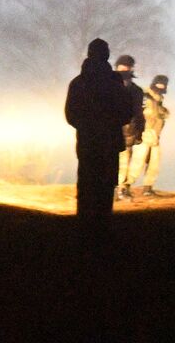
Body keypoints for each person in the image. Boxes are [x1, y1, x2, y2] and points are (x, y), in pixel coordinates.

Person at [66, 38, 134, 234]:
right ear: (107, 55)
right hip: (109, 142)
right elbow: (126, 112)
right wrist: (110, 124)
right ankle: (103, 226)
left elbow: (71, 114)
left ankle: (83, 225)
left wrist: (86, 127)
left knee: (86, 182)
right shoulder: (114, 83)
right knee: (106, 184)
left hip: (87, 142)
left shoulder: (78, 83)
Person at [129, 74, 169, 196]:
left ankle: (148, 188)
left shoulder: (159, 99)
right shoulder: (145, 96)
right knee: (138, 161)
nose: (161, 86)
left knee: (154, 162)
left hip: (155, 135)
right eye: (159, 83)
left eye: (163, 84)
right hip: (144, 133)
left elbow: (160, 116)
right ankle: (124, 187)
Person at [115, 55, 146, 200]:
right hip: (116, 131)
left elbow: (139, 113)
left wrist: (139, 131)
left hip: (127, 131)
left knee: (123, 161)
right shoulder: (135, 90)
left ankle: (120, 189)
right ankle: (118, 190)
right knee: (119, 161)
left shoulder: (136, 91)